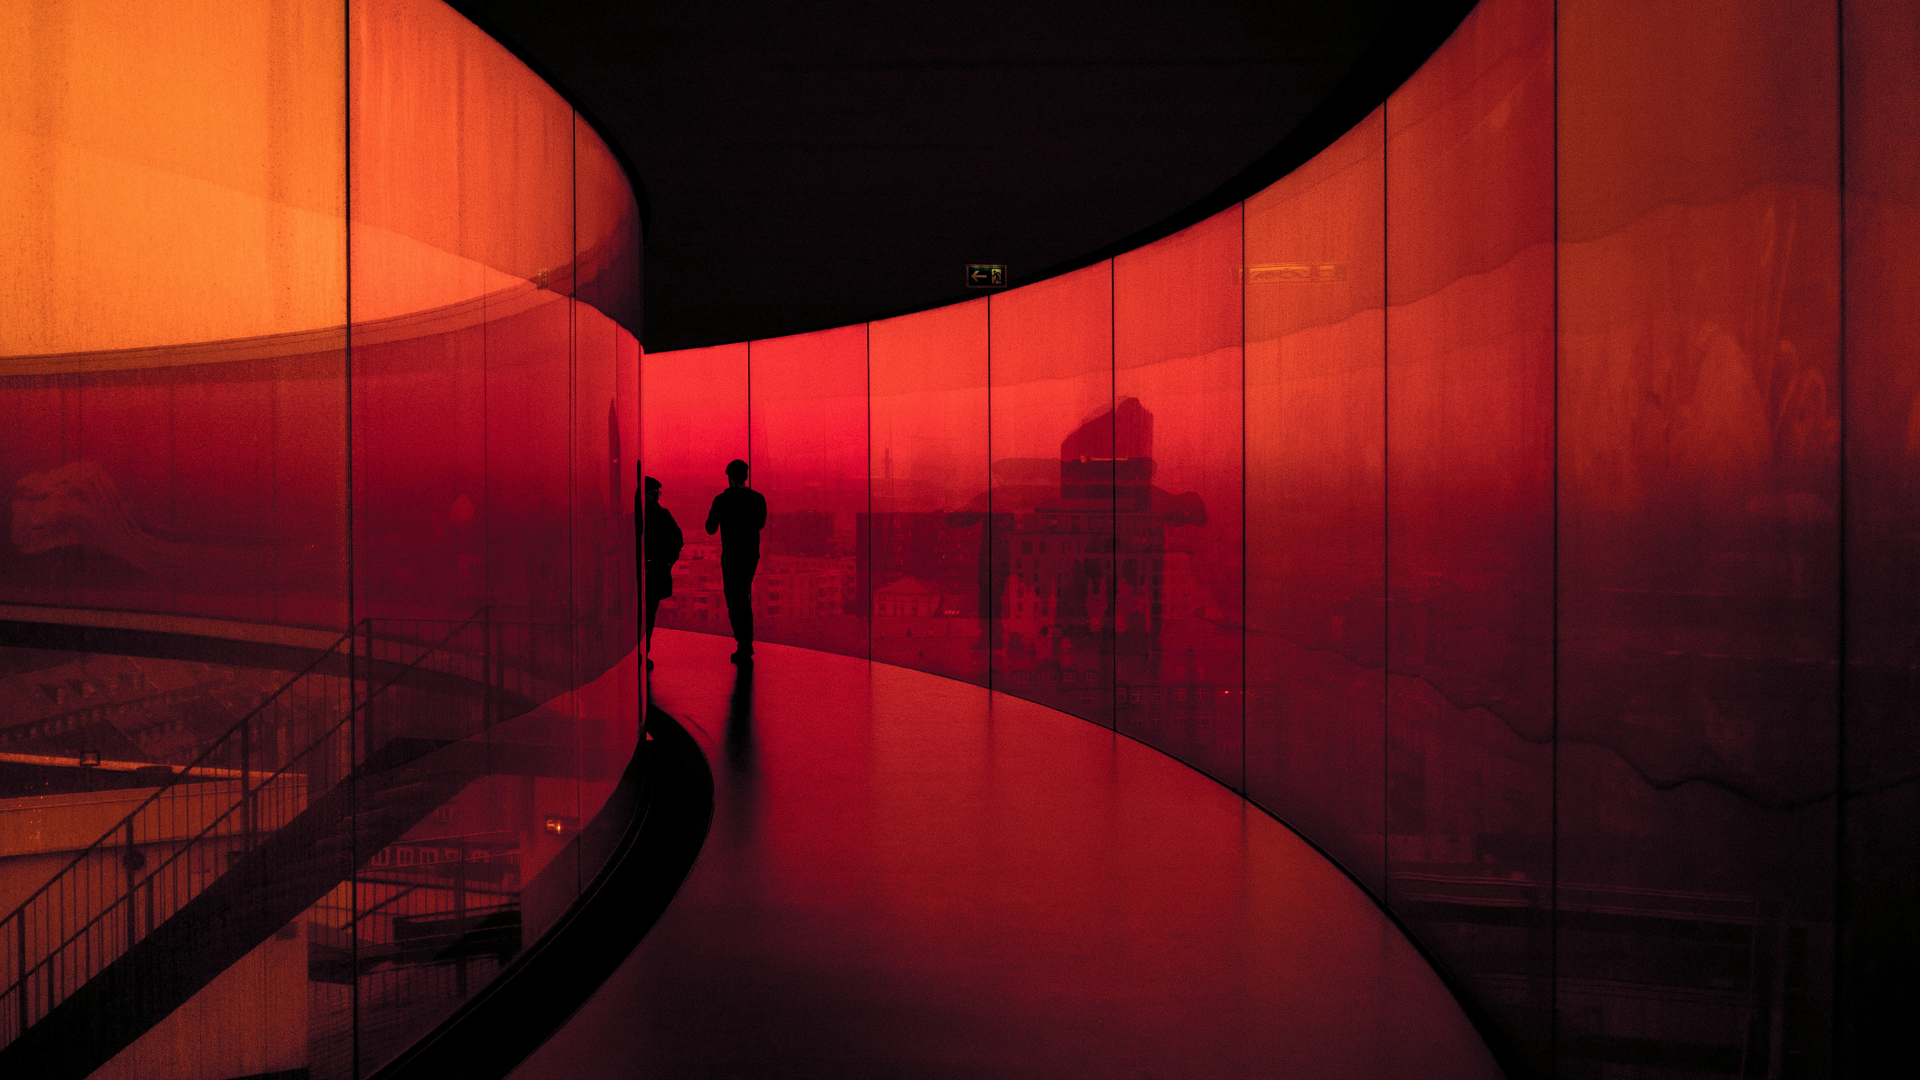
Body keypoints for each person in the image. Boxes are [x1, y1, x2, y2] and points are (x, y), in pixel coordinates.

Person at [705, 459, 767, 664]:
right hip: (750, 555)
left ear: (729, 478)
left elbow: (710, 528)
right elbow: (760, 524)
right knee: (743, 596)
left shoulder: (721, 500)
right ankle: (745, 644)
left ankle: (743, 643)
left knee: (734, 599)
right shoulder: (757, 499)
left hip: (731, 556)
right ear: (746, 476)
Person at [639, 471, 682, 671]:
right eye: (654, 494)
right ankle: (644, 652)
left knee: (644, 614)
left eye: (657, 494)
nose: (656, 498)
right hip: (656, 573)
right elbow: (677, 540)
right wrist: (666, 563)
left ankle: (641, 652)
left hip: (643, 573)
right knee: (649, 614)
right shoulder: (663, 515)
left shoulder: (636, 516)